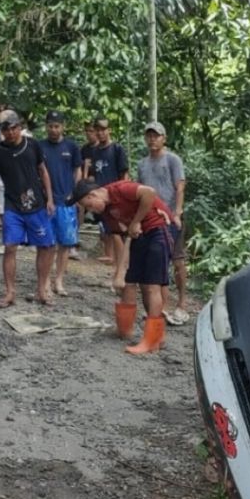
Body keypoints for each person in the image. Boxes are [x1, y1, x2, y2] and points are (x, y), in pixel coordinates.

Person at [69, 179, 173, 355]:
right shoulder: (107, 213)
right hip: (138, 238)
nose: (91, 211)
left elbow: (149, 192)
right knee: (130, 282)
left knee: (152, 286)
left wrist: (136, 221)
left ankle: (153, 340)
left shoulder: (121, 189)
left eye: (90, 206)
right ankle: (126, 330)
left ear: (93, 194)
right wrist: (119, 272)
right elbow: (125, 239)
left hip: (157, 231)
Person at [0, 109, 57, 308]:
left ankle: (42, 290)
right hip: (12, 206)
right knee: (10, 247)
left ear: (20, 127)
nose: (10, 133)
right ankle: (10, 292)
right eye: (6, 129)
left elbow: (43, 171)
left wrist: (50, 199)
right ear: (1, 131)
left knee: (46, 246)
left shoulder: (32, 145)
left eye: (14, 128)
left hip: (36, 204)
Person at [136, 121, 190, 326]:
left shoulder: (172, 160)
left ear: (164, 138)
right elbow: (140, 190)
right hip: (151, 218)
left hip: (170, 216)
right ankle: (160, 308)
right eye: (149, 136)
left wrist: (177, 212)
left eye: (156, 136)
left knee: (177, 260)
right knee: (157, 262)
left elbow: (180, 186)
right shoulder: (142, 164)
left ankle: (182, 303)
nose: (152, 139)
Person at [35, 111, 82, 296]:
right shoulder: (39, 146)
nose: (53, 130)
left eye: (57, 126)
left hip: (66, 202)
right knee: (46, 244)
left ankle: (59, 280)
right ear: (46, 126)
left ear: (63, 127)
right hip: (45, 202)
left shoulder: (71, 147)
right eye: (50, 126)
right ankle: (44, 280)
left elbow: (77, 170)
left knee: (65, 243)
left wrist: (75, 193)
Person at [87, 116, 129, 266]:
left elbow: (124, 174)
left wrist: (123, 194)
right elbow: (93, 174)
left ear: (109, 130)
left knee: (118, 231)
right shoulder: (95, 151)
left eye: (103, 130)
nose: (100, 133)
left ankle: (122, 264)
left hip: (115, 196)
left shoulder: (117, 149)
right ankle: (110, 259)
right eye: (98, 130)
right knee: (105, 229)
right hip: (100, 197)